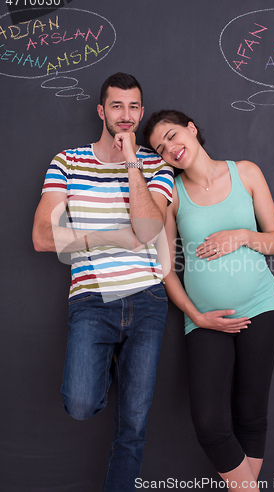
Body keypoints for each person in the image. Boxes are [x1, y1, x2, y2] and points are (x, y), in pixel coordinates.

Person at [32, 73, 174, 492]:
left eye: (133, 107)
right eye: (116, 106)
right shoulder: (68, 161)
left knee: (132, 426)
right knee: (79, 404)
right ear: (101, 111)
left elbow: (148, 230)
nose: (125, 116)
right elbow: (42, 237)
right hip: (92, 300)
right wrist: (108, 238)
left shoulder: (155, 164)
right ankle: (110, 363)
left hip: (148, 299)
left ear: (141, 112)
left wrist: (132, 159)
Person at [143, 110, 274, 491]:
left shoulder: (246, 173)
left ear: (192, 129)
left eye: (173, 136)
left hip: (263, 308)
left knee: (251, 415)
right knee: (209, 423)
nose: (170, 148)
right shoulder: (171, 194)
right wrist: (196, 316)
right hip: (204, 321)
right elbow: (165, 269)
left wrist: (241, 235)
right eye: (159, 148)